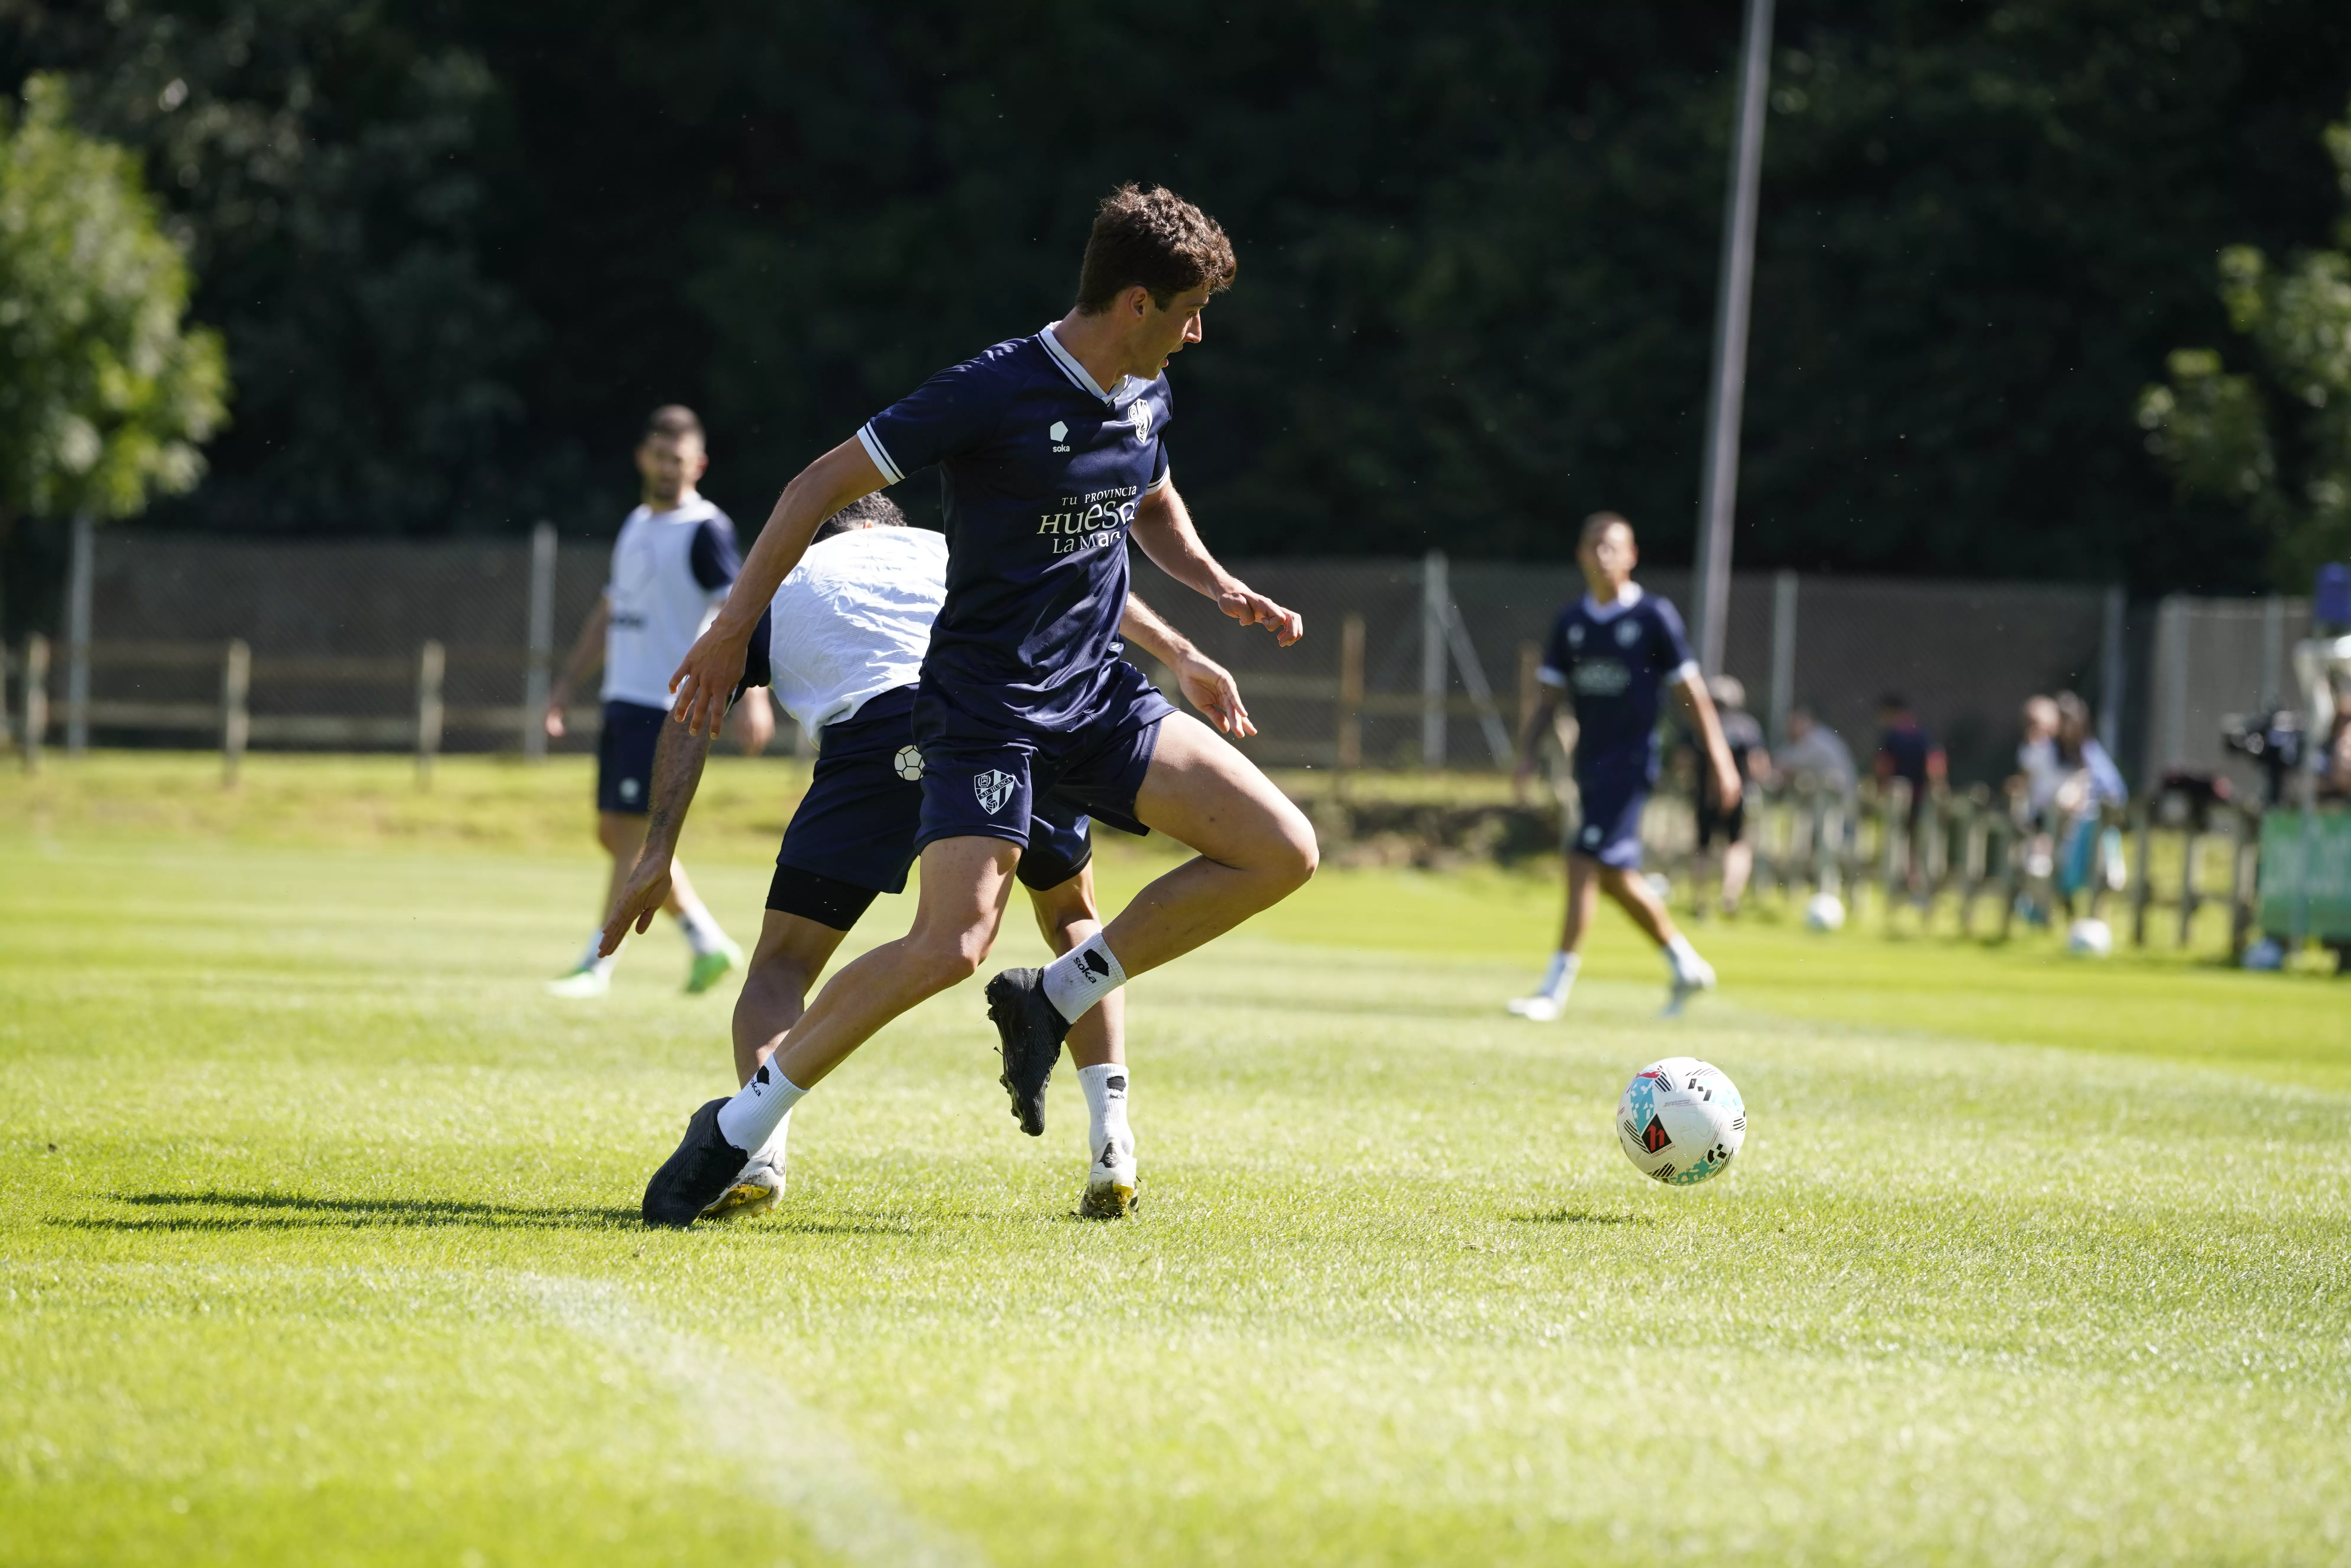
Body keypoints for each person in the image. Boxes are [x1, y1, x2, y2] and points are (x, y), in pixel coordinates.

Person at [632, 183, 1321, 1228]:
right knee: (950, 947)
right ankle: (735, 1129)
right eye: (1187, 310)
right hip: (985, 707)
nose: (1196, 332)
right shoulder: (991, 389)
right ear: (1134, 301)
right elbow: (815, 487)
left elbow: (1150, 495)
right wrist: (733, 627)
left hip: (1095, 694)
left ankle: (1053, 996)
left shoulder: (1144, 391)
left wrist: (1216, 589)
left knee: (1282, 848)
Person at [603, 493, 1255, 1221]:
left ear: (820, 534)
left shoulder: (779, 576)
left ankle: (756, 1147)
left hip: (877, 743)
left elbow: (695, 703)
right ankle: (1114, 1145)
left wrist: (658, 847)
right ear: (889, 524)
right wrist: (1182, 651)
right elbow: (1083, 583)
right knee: (1074, 915)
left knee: (784, 964)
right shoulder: (947, 545)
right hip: (1004, 727)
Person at [544, 406, 773, 997]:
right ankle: (706, 941)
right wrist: (568, 685)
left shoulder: (706, 529)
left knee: (629, 837)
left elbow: (739, 611)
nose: (669, 468)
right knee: (612, 833)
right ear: (643, 458)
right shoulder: (636, 524)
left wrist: (754, 695)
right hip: (624, 698)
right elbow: (609, 611)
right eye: (660, 457)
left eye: (681, 460)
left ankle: (597, 964)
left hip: (665, 704)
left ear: (698, 464)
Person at [1507, 512, 1742, 1020]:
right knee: (1613, 876)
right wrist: (1526, 753)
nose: (1602, 554)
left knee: (1580, 860)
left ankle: (1553, 989)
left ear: (1632, 555)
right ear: (1579, 555)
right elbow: (1548, 698)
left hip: (1631, 763)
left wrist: (1721, 759)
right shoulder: (1571, 622)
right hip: (1588, 765)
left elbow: (1692, 694)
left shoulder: (1655, 616)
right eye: (1593, 545)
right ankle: (1685, 964)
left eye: (1613, 546)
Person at [1683, 674, 1769, 917]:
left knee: (1703, 846)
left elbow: (1684, 761)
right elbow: (1757, 764)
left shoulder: (1699, 724)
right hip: (1738, 795)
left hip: (1704, 796)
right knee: (1738, 844)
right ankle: (1729, 897)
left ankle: (1700, 900)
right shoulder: (1747, 726)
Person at [1873, 692, 1945, 900]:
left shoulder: (1892, 735)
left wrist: (1881, 788)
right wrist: (1938, 788)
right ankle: (1916, 882)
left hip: (1899, 797)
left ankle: (1900, 882)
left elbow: (1884, 764)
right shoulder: (1922, 733)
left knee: (1898, 839)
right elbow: (1935, 762)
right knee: (1918, 841)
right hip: (1921, 796)